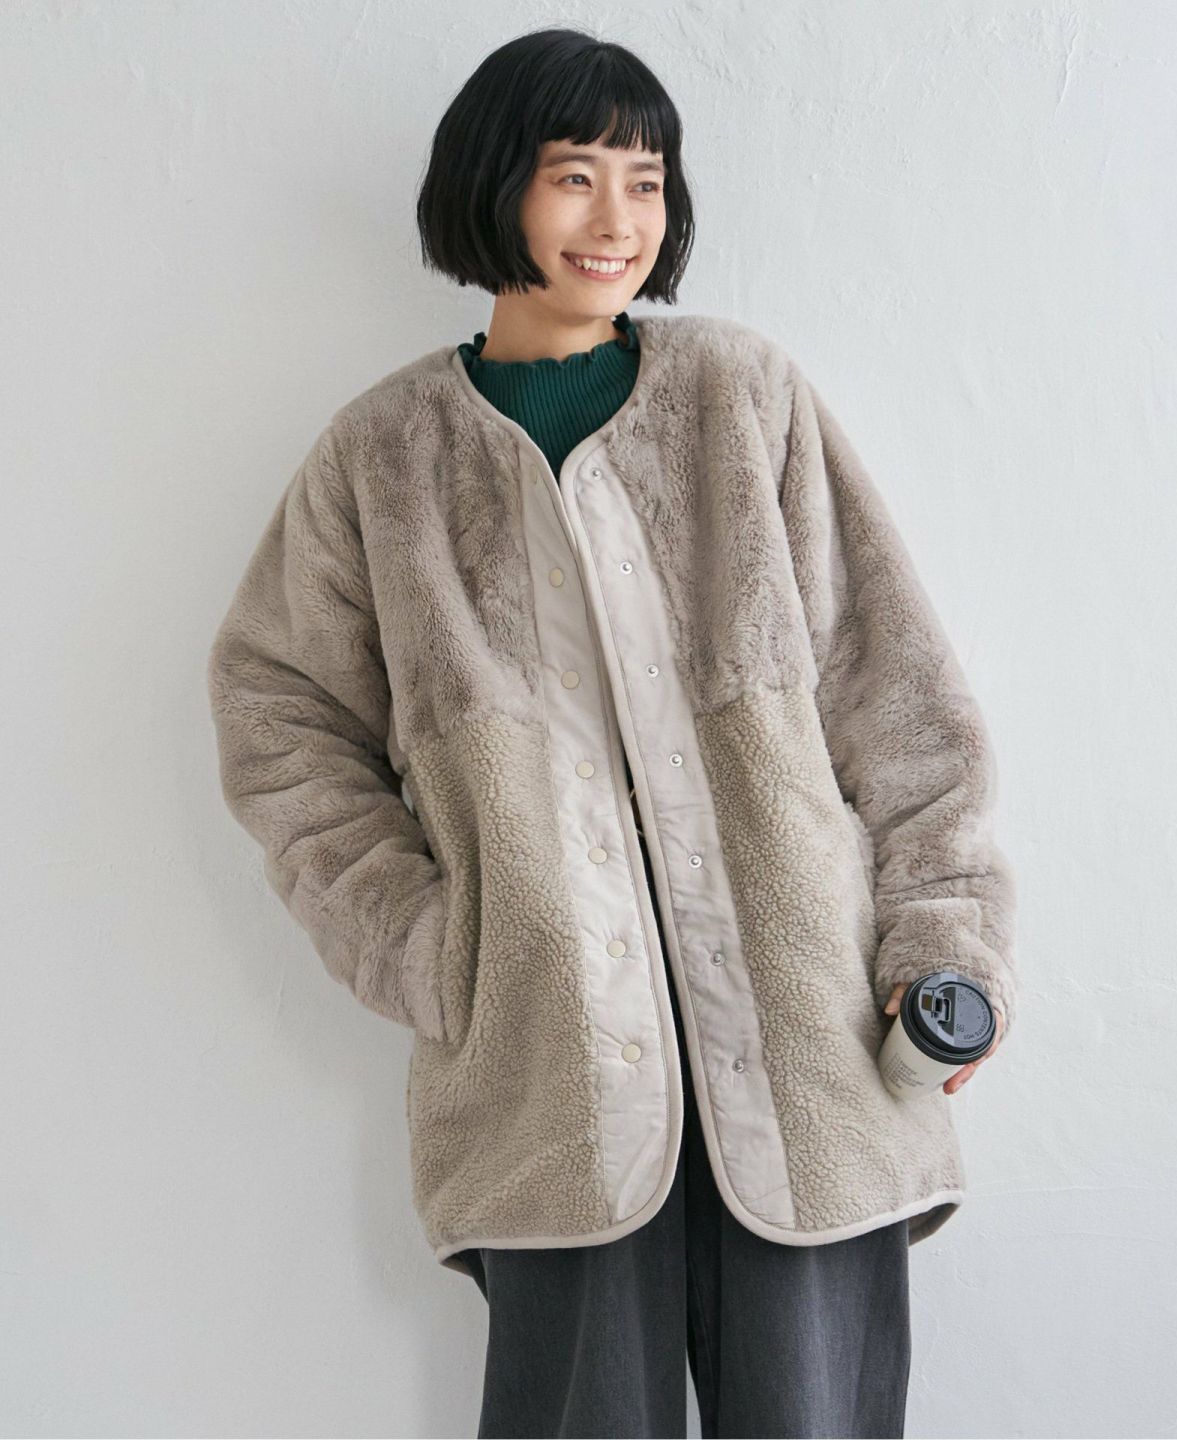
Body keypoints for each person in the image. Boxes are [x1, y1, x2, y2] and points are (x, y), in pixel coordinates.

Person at [208, 26, 1017, 1440]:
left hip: (816, 1067)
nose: (617, 220)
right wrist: (434, 946)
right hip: (549, 1094)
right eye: (574, 175)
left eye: (646, 181)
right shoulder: (382, 461)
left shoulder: (742, 399)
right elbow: (278, 715)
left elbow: (899, 699)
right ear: (492, 186)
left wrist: (942, 944)